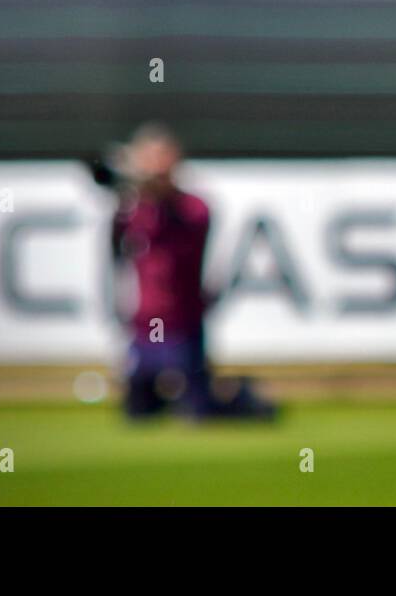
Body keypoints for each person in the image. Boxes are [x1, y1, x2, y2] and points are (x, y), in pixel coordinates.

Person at [107, 123, 277, 421]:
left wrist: (155, 195)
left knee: (198, 411)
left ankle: (241, 398)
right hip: (145, 327)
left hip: (182, 326)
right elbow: (115, 251)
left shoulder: (193, 207)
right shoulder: (134, 210)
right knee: (137, 412)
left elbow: (183, 233)